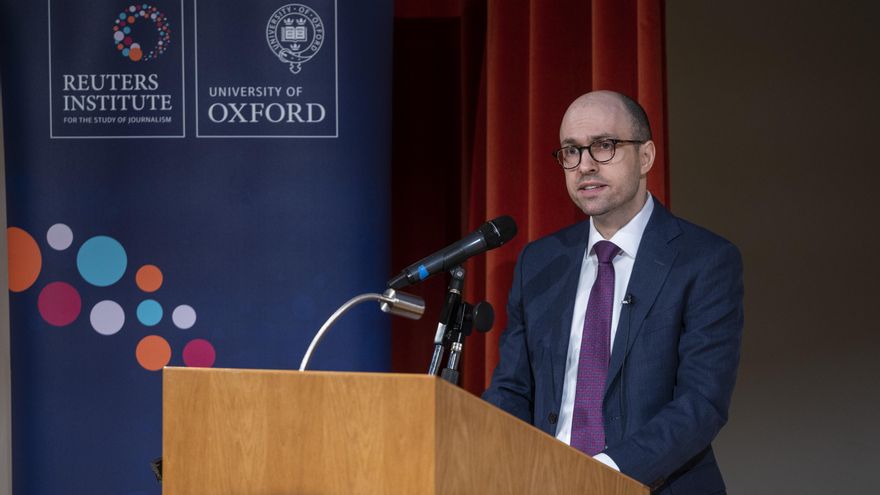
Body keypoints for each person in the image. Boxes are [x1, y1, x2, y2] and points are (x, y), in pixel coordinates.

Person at [482, 90, 744, 494]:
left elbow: (701, 402)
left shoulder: (705, 260)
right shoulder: (540, 262)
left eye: (604, 146)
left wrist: (600, 475)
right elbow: (512, 389)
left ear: (646, 157)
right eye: (571, 151)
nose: (585, 165)